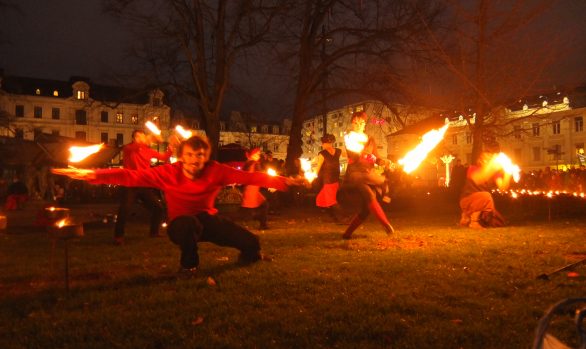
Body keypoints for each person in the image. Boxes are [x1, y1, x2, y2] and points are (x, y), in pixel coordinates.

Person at [52, 135, 303, 275]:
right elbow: (132, 176)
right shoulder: (169, 172)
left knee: (252, 242)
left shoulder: (216, 171)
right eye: (191, 156)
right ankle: (189, 265)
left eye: (200, 156)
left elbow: (250, 177)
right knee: (188, 225)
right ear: (182, 157)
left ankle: (249, 257)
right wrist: (94, 175)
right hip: (180, 224)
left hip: (207, 220)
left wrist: (285, 181)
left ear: (206, 158)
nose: (195, 161)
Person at [113, 129, 177, 245]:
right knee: (124, 210)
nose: (140, 138)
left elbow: (163, 157)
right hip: (130, 185)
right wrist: (149, 139)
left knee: (158, 208)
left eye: (142, 136)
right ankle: (119, 236)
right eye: (138, 136)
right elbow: (135, 148)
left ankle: (154, 232)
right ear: (134, 138)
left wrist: (171, 148)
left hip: (143, 185)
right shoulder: (128, 148)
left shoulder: (148, 150)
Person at [337, 111, 394, 239]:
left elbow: (377, 158)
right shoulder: (349, 137)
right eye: (355, 122)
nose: (358, 124)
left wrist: (384, 162)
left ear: (364, 124)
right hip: (356, 174)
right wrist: (368, 157)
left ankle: (347, 234)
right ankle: (387, 225)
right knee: (374, 189)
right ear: (352, 123)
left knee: (366, 210)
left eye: (361, 122)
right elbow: (355, 156)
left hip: (368, 172)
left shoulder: (370, 139)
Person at [459, 151, 509, 229]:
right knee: (486, 196)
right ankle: (473, 222)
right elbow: (479, 178)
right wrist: (492, 167)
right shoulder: (473, 168)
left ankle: (466, 218)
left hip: (482, 202)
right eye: (485, 159)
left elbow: (502, 188)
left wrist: (507, 173)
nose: (487, 160)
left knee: (498, 221)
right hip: (468, 199)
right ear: (481, 160)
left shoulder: (495, 172)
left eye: (489, 159)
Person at [314, 133, 344, 223]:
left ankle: (344, 217)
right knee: (321, 199)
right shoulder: (338, 151)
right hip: (335, 179)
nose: (322, 145)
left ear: (328, 143)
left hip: (328, 180)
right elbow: (348, 156)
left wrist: (313, 175)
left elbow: (318, 167)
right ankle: (332, 217)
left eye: (323, 143)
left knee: (331, 201)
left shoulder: (322, 154)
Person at [240, 148, 270, 229]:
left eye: (258, 154)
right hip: (251, 190)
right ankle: (261, 223)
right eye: (257, 154)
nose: (258, 155)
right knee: (252, 211)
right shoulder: (253, 164)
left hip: (252, 190)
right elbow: (260, 175)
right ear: (252, 155)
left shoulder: (249, 163)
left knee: (263, 205)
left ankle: (262, 224)